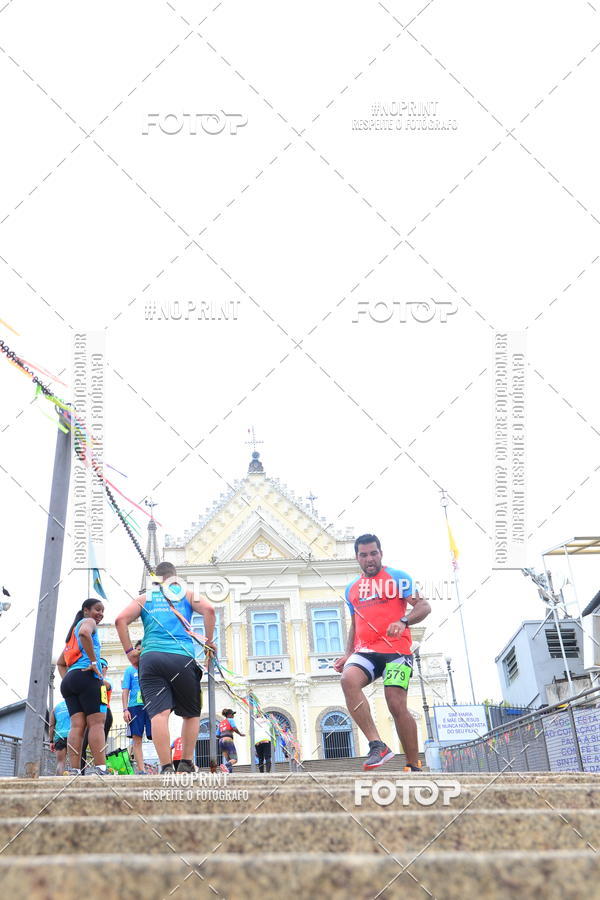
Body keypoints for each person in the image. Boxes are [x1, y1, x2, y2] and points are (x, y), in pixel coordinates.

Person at [334, 533, 431, 771]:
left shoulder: (397, 577)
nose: (369, 559)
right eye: (364, 555)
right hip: (366, 651)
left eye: (374, 553)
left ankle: (413, 764)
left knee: (395, 704)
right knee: (348, 678)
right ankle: (377, 744)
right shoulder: (351, 590)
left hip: (397, 651)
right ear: (357, 557)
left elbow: (424, 606)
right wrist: (348, 654)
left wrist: (404, 621)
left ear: (381, 553)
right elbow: (355, 624)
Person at [115, 561, 216, 775]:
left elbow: (120, 620)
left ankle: (166, 766)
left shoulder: (145, 599)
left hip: (150, 659)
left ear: (156, 580)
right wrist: (209, 641)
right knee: (191, 713)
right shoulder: (187, 594)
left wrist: (130, 652)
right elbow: (209, 609)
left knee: (159, 715)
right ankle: (186, 763)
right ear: (175, 577)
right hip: (182, 657)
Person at [57, 598, 108, 775]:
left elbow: (60, 663)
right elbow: (85, 633)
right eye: (97, 609)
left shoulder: (71, 633)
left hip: (71, 680)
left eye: (102, 611)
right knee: (97, 724)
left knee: (76, 726)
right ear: (86, 610)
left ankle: (75, 770)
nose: (100, 614)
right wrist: (94, 662)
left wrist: (68, 678)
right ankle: (101, 768)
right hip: (88, 676)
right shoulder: (88, 622)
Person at [122, 640, 151, 774]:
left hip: (151, 705)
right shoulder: (129, 670)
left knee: (157, 735)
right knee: (137, 739)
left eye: (143, 650)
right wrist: (125, 709)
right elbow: (125, 690)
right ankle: (141, 769)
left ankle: (165, 765)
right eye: (138, 650)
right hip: (135, 707)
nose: (140, 652)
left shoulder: (151, 667)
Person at [79, 658, 113, 772]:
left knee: (100, 744)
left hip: (104, 713)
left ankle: (101, 769)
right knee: (83, 744)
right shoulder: (91, 680)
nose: (99, 667)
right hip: (89, 713)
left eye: (102, 665)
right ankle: (80, 771)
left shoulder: (106, 681)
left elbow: (106, 685)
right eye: (98, 665)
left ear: (106, 668)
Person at [217, 709, 244, 773]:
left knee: (229, 760)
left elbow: (217, 735)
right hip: (228, 740)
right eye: (232, 714)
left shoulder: (221, 723)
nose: (233, 716)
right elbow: (234, 728)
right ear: (229, 715)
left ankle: (229, 772)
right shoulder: (231, 720)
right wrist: (240, 734)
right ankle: (225, 766)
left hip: (221, 741)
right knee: (234, 759)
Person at [49, 699, 70, 776]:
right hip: (73, 736)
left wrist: (51, 741)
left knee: (60, 763)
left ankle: (58, 783)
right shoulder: (75, 704)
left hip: (59, 737)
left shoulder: (56, 708)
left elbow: (51, 726)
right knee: (75, 763)